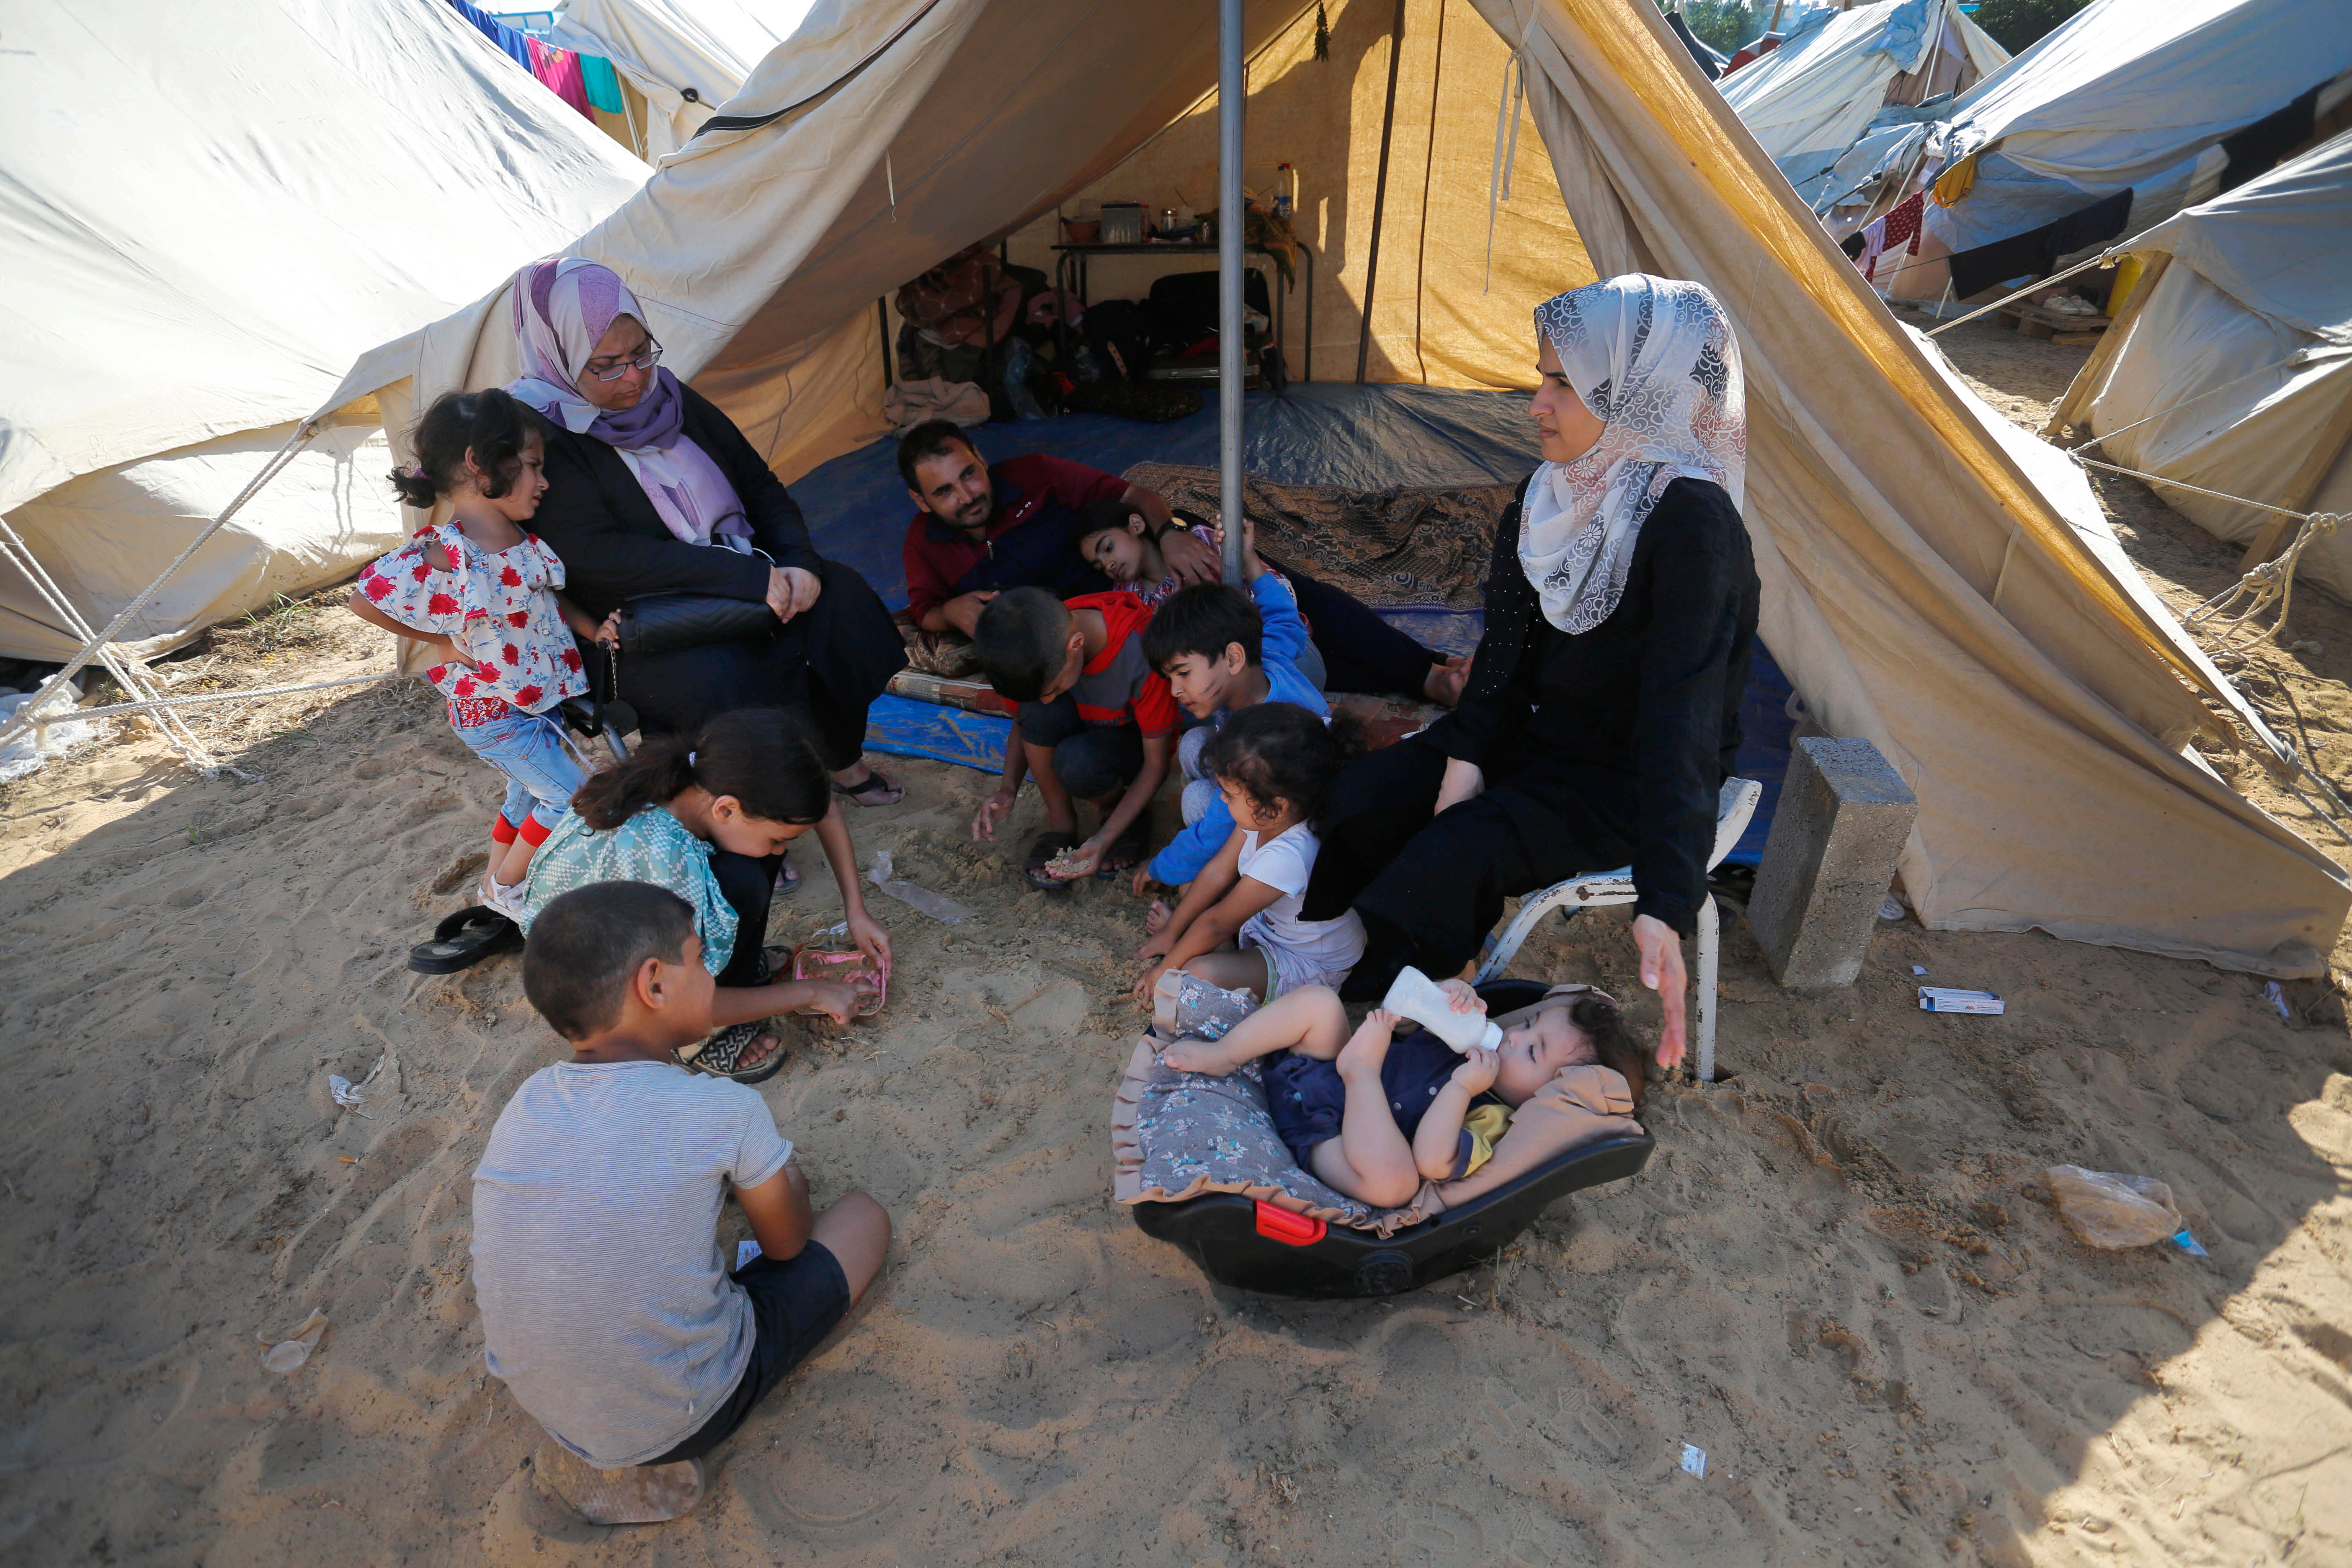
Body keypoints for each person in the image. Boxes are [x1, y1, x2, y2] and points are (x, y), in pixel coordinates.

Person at [1300, 274, 1760, 1070]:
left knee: (1450, 859)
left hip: (1626, 774)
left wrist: (1667, 898)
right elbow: (1505, 654)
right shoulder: (1549, 494)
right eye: (1542, 378)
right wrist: (1463, 761)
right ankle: (1375, 963)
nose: (1536, 405)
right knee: (1362, 800)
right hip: (1540, 734)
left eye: (1565, 385)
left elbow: (1683, 721)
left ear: (1639, 394)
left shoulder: (1694, 526)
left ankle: (1415, 1003)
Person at [472, 881, 891, 1513]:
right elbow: (786, 1245)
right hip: (683, 1411)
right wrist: (791, 1183)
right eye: (699, 959)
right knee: (864, 1219)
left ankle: (601, 1449)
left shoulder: (526, 1102)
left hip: (541, 1399)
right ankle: (654, 1452)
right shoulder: (723, 1107)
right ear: (654, 984)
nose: (711, 976)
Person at [510, 257, 907, 812]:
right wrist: (744, 577)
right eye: (606, 365)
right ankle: (743, 803)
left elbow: (757, 483)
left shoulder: (669, 396)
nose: (634, 378)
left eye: (641, 353)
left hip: (739, 575)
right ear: (559, 357)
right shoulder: (540, 431)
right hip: (629, 621)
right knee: (724, 672)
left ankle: (837, 756)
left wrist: (798, 561)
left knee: (841, 604)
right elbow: (594, 557)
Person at [349, 389, 614, 916]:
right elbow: (364, 601)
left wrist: (595, 629)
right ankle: (506, 889)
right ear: (479, 465)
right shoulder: (450, 554)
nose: (543, 481)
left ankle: (494, 884)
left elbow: (548, 598)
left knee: (526, 797)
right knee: (572, 796)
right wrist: (442, 645)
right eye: (533, 467)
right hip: (493, 715)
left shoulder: (523, 541)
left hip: (531, 706)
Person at [515, 710, 889, 1082]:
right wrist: (812, 992)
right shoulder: (666, 864)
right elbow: (675, 1000)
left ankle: (737, 974)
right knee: (744, 877)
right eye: (778, 840)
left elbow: (821, 811)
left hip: (634, 931)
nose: (782, 851)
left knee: (753, 861)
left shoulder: (698, 781)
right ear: (727, 808)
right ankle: (697, 1039)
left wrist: (856, 911)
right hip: (599, 988)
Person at [1078, 498, 1468, 705]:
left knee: (1337, 618)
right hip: (1255, 661)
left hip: (1282, 618)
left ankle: (1432, 670)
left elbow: (1264, 581)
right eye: (1099, 564)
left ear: (1136, 525)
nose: (1108, 564)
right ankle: (1429, 675)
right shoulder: (1130, 599)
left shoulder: (1192, 543)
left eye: (1108, 547)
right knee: (1336, 674)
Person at [1132, 702, 1365, 1004]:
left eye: (1230, 794)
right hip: (1269, 927)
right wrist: (1173, 929)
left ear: (1276, 807)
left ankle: (1219, 958)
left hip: (1307, 962)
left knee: (1200, 973)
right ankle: (1209, 949)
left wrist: (1165, 968)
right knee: (1191, 887)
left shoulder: (1289, 855)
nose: (1222, 799)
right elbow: (1218, 872)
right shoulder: (1265, 816)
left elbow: (1218, 923)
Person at [1134, 534, 1329, 895]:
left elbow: (1216, 829)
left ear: (1234, 658)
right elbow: (1283, 616)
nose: (1175, 690)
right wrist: (1250, 559)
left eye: (1183, 673)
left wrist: (1162, 866)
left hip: (1293, 819)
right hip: (1264, 783)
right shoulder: (1265, 658)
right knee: (1195, 742)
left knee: (1199, 802)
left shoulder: (1265, 740)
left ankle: (1233, 872)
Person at [897, 421, 1221, 637]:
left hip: (1119, 614)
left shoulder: (1038, 475)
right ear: (920, 500)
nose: (967, 497)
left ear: (980, 458)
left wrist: (1170, 533)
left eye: (969, 474)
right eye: (944, 492)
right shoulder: (922, 543)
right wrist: (950, 613)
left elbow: (1132, 495)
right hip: (1042, 645)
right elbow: (924, 610)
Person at [967, 586, 1175, 890]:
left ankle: (1117, 812)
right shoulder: (1027, 649)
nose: (1048, 700)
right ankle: (1061, 822)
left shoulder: (1140, 651)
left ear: (1076, 645)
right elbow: (1023, 722)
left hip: (1129, 745)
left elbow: (1157, 763)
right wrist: (1008, 789)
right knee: (1037, 710)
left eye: (1054, 689)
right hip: (1082, 732)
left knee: (1077, 761)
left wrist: (1104, 839)